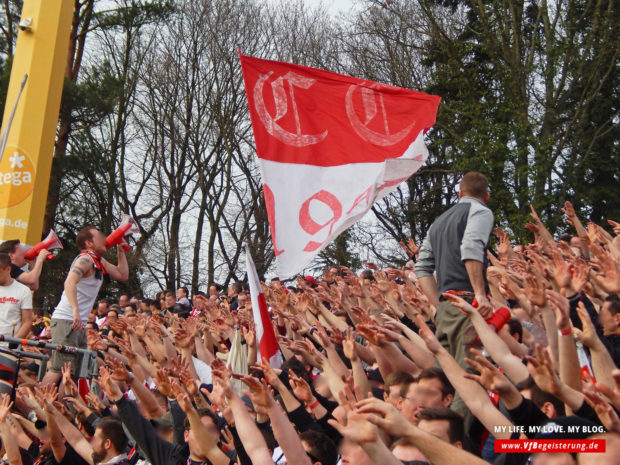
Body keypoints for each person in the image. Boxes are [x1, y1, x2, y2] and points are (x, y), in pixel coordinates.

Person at [415, 172, 494, 369]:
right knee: (471, 377)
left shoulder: (438, 222)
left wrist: (439, 305)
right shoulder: (481, 211)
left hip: (446, 309)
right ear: (487, 196)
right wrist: (480, 294)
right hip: (468, 304)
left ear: (460, 194)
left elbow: (422, 267)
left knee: (445, 380)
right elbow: (470, 247)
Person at [43, 226, 129, 383]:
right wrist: (75, 310)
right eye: (100, 236)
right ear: (89, 243)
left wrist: (120, 251)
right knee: (60, 370)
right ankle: (39, 407)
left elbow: (122, 275)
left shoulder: (97, 260)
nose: (105, 239)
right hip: (67, 319)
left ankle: (64, 405)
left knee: (73, 373)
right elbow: (69, 282)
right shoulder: (85, 259)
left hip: (77, 323)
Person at [0, 252, 33, 346]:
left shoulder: (23, 291)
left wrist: (14, 342)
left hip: (7, 348)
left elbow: (27, 321)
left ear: (8, 269)